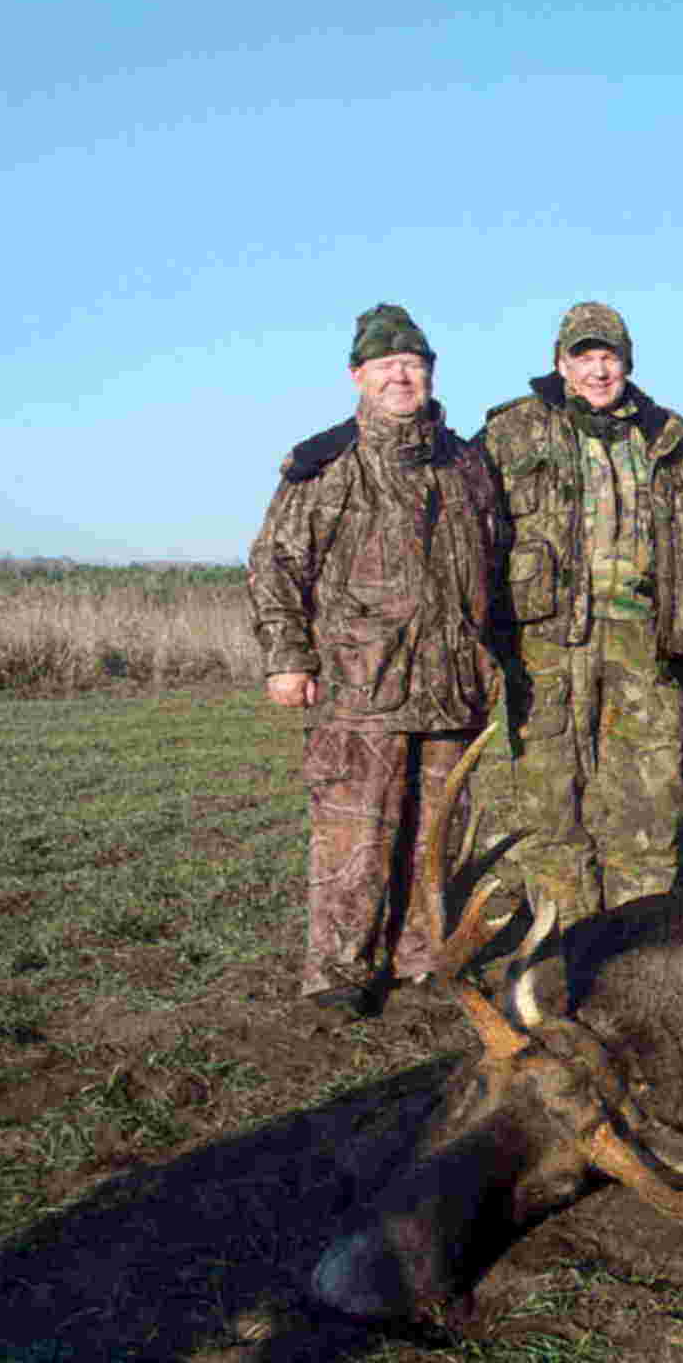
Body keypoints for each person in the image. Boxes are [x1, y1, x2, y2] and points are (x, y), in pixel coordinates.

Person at [247, 304, 502, 1017]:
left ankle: (423, 965)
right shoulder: (326, 465)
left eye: (413, 364)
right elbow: (276, 565)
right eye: (386, 364)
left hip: (453, 688)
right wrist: (286, 658)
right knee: (351, 837)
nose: (401, 375)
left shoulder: (465, 462)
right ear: (357, 376)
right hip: (361, 687)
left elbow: (496, 562)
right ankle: (337, 973)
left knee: (437, 837)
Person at [476, 302, 683, 926]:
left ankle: (639, 940)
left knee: (648, 801)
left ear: (627, 363)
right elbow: (473, 531)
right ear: (560, 362)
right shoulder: (513, 431)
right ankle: (561, 942)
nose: (598, 370)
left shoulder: (668, 438)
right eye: (585, 356)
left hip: (643, 644)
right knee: (549, 799)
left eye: (609, 357)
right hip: (545, 644)